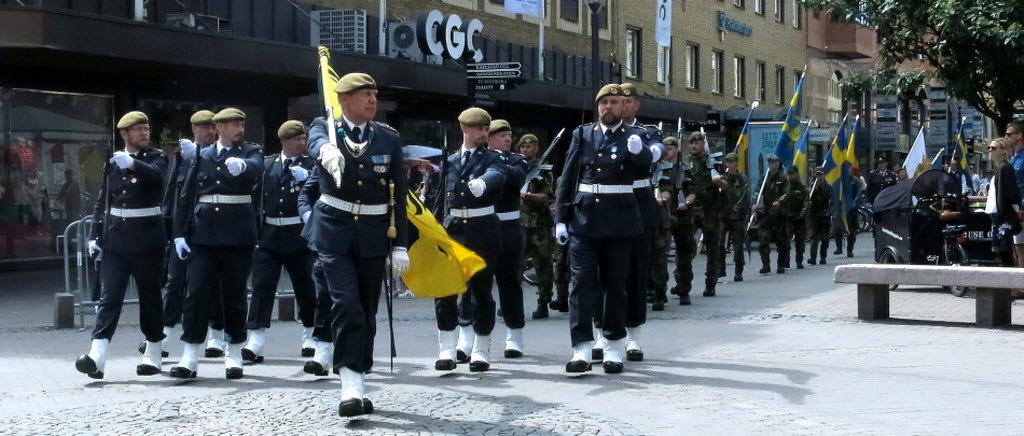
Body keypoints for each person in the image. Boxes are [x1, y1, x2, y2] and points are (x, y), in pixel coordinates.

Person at [304, 72, 409, 416]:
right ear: (344, 100)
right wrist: (327, 150)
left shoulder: (388, 139)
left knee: (366, 309)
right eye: (365, 94)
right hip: (333, 231)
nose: (372, 100)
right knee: (346, 304)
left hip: (374, 233)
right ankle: (349, 383)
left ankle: (359, 374)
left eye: (375, 94)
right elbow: (314, 139)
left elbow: (400, 198)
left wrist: (400, 245)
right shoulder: (325, 128)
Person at [555, 83, 652, 374]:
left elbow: (647, 165)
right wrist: (561, 217)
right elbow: (567, 176)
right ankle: (581, 348)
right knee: (581, 282)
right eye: (604, 103)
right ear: (598, 107)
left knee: (615, 284)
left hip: (621, 219)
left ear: (624, 107)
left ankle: (612, 345)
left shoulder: (636, 135)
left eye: (614, 102)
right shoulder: (582, 134)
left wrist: (640, 152)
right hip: (585, 219)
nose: (608, 107)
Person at [170, 108, 264, 380]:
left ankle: (234, 352)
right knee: (196, 294)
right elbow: (187, 196)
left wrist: (243, 167)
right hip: (204, 236)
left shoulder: (250, 151)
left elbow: (258, 167)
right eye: (235, 124)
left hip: (237, 236)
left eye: (242, 124)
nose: (240, 129)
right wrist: (179, 234)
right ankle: (189, 356)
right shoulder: (202, 156)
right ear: (219, 127)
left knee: (234, 295)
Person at [75, 111, 168, 379]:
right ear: (124, 134)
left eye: (146, 128)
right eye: (138, 129)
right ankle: (97, 355)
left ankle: (153, 351)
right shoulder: (114, 162)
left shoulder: (156, 157)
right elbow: (103, 201)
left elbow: (157, 177)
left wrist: (133, 165)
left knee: (150, 296)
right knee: (109, 297)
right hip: (116, 240)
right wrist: (95, 236)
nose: (144, 133)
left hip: (147, 240)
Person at [435, 107, 505, 373]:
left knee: (481, 291)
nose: (484, 134)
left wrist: (483, 184)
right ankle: (447, 348)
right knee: (446, 291)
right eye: (479, 129)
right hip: (453, 232)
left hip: (482, 230)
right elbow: (440, 197)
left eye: (486, 129)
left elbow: (498, 174)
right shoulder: (450, 161)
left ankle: (480, 348)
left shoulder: (492, 159)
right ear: (465, 129)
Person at [241, 120, 318, 363]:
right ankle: (255, 340)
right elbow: (255, 198)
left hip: (299, 234)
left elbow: (322, 193)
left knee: (305, 287)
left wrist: (307, 178)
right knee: (262, 287)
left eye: (304, 139)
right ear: (284, 141)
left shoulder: (312, 165)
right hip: (271, 234)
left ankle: (311, 335)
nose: (302, 142)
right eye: (297, 139)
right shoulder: (267, 165)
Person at [150, 110, 222, 359]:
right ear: (194, 129)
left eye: (213, 128)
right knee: (174, 282)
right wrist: (169, 225)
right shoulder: (182, 155)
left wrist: (198, 158)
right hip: (183, 227)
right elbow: (173, 190)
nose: (210, 132)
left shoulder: (219, 155)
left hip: (209, 227)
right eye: (205, 128)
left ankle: (217, 334)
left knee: (213, 285)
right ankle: (166, 335)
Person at [613, 82, 663, 362]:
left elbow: (654, 153)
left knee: (634, 273)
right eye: (618, 101)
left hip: (637, 203)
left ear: (635, 105)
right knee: (605, 273)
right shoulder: (600, 134)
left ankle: (632, 336)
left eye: (628, 101)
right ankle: (604, 333)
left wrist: (642, 149)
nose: (623, 105)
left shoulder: (646, 132)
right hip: (606, 207)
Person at [485, 119, 529, 358]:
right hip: (482, 227)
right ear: (489, 137)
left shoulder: (515, 159)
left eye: (509, 135)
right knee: (477, 285)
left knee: (510, 283)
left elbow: (517, 177)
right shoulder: (480, 158)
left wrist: (497, 161)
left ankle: (514, 335)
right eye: (501, 135)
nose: (507, 139)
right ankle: (474, 336)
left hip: (508, 226)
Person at [672, 132, 725, 301]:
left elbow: (725, 184)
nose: (694, 146)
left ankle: (711, 283)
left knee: (712, 249)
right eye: (692, 143)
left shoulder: (713, 162)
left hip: (710, 210)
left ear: (704, 143)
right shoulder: (685, 163)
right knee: (685, 248)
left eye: (698, 142)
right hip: (690, 210)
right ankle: (682, 284)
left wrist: (719, 182)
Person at [519, 134, 556, 320]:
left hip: (539, 225)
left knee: (543, 266)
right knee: (515, 266)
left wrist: (529, 196)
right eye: (523, 147)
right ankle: (514, 303)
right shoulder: (515, 168)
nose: (526, 150)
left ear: (536, 149)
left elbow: (547, 196)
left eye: (530, 146)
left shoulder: (543, 170)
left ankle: (543, 303)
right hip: (519, 224)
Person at [649, 136, 680, 310]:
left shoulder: (664, 172)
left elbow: (667, 192)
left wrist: (660, 199)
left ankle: (660, 294)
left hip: (660, 221)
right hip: (642, 221)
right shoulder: (640, 170)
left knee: (659, 258)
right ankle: (647, 290)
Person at [986, 138, 1021, 267]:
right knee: (1002, 252)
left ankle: (1012, 284)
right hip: (998, 215)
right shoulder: (1001, 168)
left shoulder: (1005, 167)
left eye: (994, 148)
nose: (990, 151)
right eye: (989, 148)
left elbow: (1012, 192)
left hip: (1002, 217)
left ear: (1004, 151)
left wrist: (1012, 210)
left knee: (1005, 252)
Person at [753, 154, 789, 274]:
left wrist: (780, 201)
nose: (773, 165)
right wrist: (755, 203)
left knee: (781, 241)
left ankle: (780, 265)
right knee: (763, 240)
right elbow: (758, 191)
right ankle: (765, 265)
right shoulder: (764, 178)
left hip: (779, 214)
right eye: (770, 162)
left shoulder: (783, 178)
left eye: (775, 162)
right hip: (767, 212)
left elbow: (787, 193)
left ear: (778, 163)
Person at [719, 153, 750, 281]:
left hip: (737, 217)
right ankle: (720, 269)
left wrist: (738, 207)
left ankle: (738, 271)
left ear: (736, 163)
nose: (730, 164)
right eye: (728, 162)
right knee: (719, 244)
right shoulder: (722, 178)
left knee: (737, 246)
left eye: (733, 162)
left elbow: (745, 195)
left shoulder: (742, 178)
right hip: (723, 216)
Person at [806, 168, 832, 265]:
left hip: (825, 215)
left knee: (825, 239)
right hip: (815, 215)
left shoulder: (828, 187)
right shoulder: (812, 187)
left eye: (820, 174)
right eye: (817, 174)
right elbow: (808, 200)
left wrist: (830, 212)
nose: (819, 176)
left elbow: (832, 201)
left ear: (824, 175)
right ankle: (813, 257)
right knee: (814, 238)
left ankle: (823, 257)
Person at [785, 167, 809, 269]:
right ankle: (786, 260)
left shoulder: (802, 187)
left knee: (800, 240)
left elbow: (806, 201)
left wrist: (802, 213)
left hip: (799, 217)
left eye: (793, 174)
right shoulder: (786, 186)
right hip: (787, 216)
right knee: (785, 239)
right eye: (789, 174)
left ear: (797, 174)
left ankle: (799, 260)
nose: (791, 176)